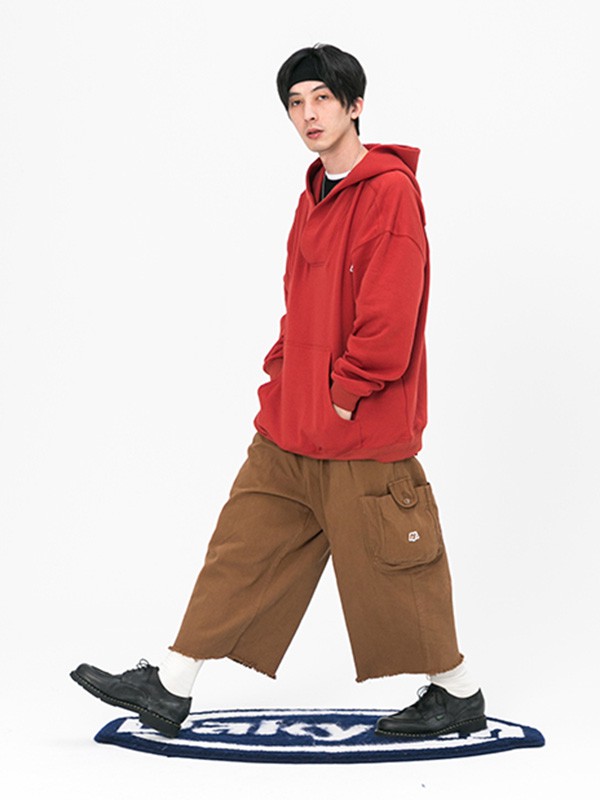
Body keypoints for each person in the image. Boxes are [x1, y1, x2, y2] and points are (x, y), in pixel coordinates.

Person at [71, 43, 486, 741]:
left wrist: (346, 392)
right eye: (296, 102)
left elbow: (389, 314)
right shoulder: (312, 195)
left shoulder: (388, 192)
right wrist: (281, 378)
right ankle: (171, 685)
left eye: (322, 98)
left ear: (355, 106)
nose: (308, 114)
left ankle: (459, 693)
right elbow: (299, 308)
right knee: (242, 548)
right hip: (291, 425)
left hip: (358, 429)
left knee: (393, 568)